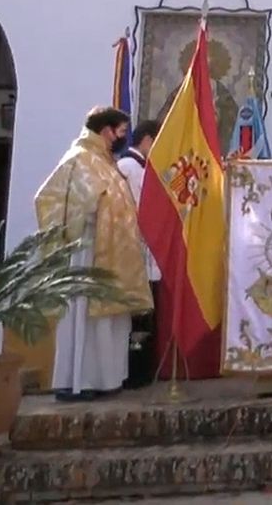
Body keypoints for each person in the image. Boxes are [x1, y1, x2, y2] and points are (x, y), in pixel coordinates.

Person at [33, 107, 153, 401]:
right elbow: (49, 198)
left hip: (113, 251)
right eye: (120, 132)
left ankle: (105, 379)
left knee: (108, 321)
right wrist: (83, 218)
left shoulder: (105, 162)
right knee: (85, 318)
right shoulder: (79, 159)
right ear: (105, 131)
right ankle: (78, 381)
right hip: (88, 251)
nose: (122, 138)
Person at [115, 119, 163, 390]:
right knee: (138, 318)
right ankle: (135, 372)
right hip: (135, 255)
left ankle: (144, 370)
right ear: (146, 139)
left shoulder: (141, 168)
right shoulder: (126, 168)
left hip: (148, 255)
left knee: (147, 315)